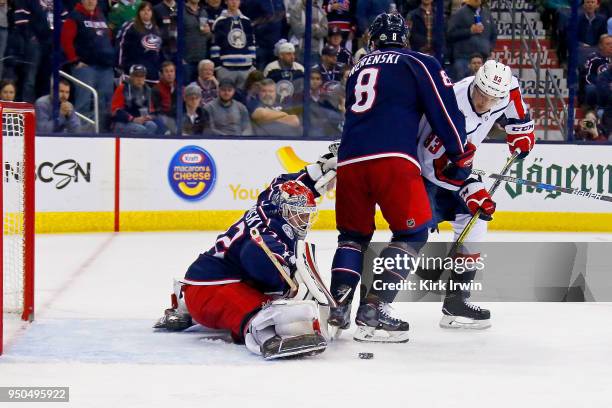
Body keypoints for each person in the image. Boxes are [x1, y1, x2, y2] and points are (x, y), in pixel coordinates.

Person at [327, 13, 471, 343]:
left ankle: (338, 307)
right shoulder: (418, 62)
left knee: (352, 237)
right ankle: (374, 309)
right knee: (414, 233)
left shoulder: (357, 70)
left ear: (373, 39)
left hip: (349, 160)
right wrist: (459, 153)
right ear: (404, 37)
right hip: (392, 160)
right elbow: (444, 110)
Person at [153, 150, 338, 359]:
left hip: (210, 278)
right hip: (212, 290)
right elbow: (255, 258)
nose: (304, 218)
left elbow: (284, 181)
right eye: (300, 214)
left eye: (307, 214)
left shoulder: (271, 201)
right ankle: (267, 337)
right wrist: (292, 277)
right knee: (271, 309)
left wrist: (320, 170)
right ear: (285, 212)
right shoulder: (269, 236)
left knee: (274, 291)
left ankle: (183, 302)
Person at [416, 60, 535, 329]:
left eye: (493, 98)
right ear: (474, 84)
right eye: (482, 95)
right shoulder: (453, 108)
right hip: (427, 175)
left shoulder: (503, 92)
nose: (485, 103)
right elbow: (433, 164)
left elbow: (514, 96)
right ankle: (376, 303)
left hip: (459, 165)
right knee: (412, 236)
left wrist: (520, 130)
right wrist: (470, 188)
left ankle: (456, 302)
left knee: (475, 221)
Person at [61, 0, 115, 131]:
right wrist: (74, 61)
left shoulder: (101, 15)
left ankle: (102, 133)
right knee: (84, 101)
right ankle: (80, 134)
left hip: (105, 67)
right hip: (85, 66)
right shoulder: (74, 16)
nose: (91, 1)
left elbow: (108, 37)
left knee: (105, 103)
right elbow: (65, 40)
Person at [13, 0, 68, 102]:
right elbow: (20, 20)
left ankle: (45, 108)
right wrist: (31, 37)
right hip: (35, 43)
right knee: (30, 78)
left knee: (49, 79)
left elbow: (65, 21)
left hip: (53, 45)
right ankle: (28, 108)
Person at [210, 0, 256, 90]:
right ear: (226, 2)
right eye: (231, 0)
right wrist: (218, 67)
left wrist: (252, 63)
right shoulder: (220, 21)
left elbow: (251, 44)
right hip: (226, 69)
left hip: (246, 68)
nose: (234, 2)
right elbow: (215, 46)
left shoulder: (246, 21)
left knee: (244, 98)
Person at [447, 0, 497, 81]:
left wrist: (489, 48)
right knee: (462, 88)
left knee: (481, 88)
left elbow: (494, 34)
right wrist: (469, 31)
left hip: (482, 58)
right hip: (463, 58)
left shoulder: (487, 14)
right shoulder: (459, 14)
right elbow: (450, 34)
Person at [111, 64, 164, 135]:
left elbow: (151, 110)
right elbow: (115, 111)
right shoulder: (123, 88)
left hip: (139, 120)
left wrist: (149, 116)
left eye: (142, 76)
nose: (139, 79)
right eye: (136, 76)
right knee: (141, 129)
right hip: (122, 122)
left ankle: (147, 146)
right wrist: (132, 119)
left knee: (152, 126)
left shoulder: (147, 90)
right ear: (131, 77)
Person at [117, 1, 162, 83]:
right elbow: (121, 46)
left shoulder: (156, 29)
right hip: (133, 72)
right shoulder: (130, 26)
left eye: (149, 10)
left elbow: (158, 52)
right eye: (143, 10)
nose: (146, 12)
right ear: (138, 12)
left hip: (152, 74)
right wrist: (121, 66)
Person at [240, 0, 286, 69]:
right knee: (260, 74)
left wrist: (283, 39)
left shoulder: (279, 1)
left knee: (275, 73)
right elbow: (248, 22)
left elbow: (283, 22)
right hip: (260, 45)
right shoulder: (252, 2)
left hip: (277, 44)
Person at [288, 0, 328, 65]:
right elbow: (298, 30)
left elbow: (324, 32)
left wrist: (307, 30)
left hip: (316, 52)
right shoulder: (295, 10)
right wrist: (315, 27)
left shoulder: (320, 12)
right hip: (299, 52)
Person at [183, 0, 212, 83]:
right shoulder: (181, 11)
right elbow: (174, 35)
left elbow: (207, 37)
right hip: (186, 60)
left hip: (201, 59)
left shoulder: (203, 12)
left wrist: (208, 32)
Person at [582, 34, 612, 107]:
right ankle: (591, 109)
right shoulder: (593, 58)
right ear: (601, 46)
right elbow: (587, 78)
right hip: (599, 87)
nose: (611, 46)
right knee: (591, 89)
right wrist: (603, 84)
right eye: (608, 44)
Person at [152, 61, 178, 132]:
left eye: (172, 71)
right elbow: (157, 109)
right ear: (161, 74)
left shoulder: (180, 88)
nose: (169, 74)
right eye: (166, 72)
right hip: (163, 117)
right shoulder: (156, 89)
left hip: (177, 116)